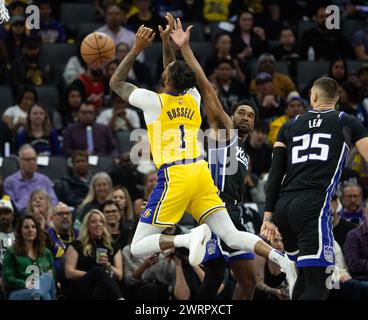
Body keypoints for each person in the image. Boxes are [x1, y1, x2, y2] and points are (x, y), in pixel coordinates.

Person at [109, 15, 292, 279]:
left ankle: (186, 239)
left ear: (165, 81)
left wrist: (137, 48)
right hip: (200, 172)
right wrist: (165, 42)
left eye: (165, 73)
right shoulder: (193, 98)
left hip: (175, 176)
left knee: (137, 246)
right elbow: (174, 69)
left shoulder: (153, 102)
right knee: (230, 234)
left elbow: (116, 83)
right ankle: (281, 260)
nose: (164, 71)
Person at [261, 76, 368, 300]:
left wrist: (268, 216)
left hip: (283, 208)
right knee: (320, 285)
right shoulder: (346, 121)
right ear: (337, 98)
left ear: (314, 95)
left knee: (305, 278)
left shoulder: (288, 125)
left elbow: (275, 173)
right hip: (313, 206)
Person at [63, 209, 124, 300]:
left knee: (100, 290)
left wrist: (108, 265)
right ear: (87, 226)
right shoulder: (77, 245)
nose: (98, 224)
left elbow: (119, 276)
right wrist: (94, 275)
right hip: (80, 287)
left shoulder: (113, 247)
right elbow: (69, 273)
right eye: (93, 222)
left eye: (101, 221)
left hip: (103, 289)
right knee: (97, 271)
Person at [3, 215, 56, 300]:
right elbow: (8, 279)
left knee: (47, 277)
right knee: (45, 295)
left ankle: (37, 295)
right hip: (18, 292)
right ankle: (38, 294)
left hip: (41, 291)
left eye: (33, 227)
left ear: (37, 230)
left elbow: (52, 279)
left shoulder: (46, 253)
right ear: (20, 231)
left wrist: (39, 285)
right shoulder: (11, 252)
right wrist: (27, 284)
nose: (30, 230)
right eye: (26, 227)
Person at [3, 144, 58, 212]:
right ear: (20, 162)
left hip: (45, 213)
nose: (32, 162)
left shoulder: (44, 180)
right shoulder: (10, 182)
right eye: (28, 160)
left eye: (34, 159)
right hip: (22, 216)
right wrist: (32, 210)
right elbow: (10, 205)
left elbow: (54, 201)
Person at [47, 202, 77, 282]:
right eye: (60, 214)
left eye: (67, 213)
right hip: (57, 279)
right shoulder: (47, 236)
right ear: (51, 218)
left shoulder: (79, 234)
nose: (65, 216)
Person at [0, 196, 15, 298]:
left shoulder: (21, 235)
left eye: (6, 213)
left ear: (13, 215)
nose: (2, 216)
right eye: (0, 214)